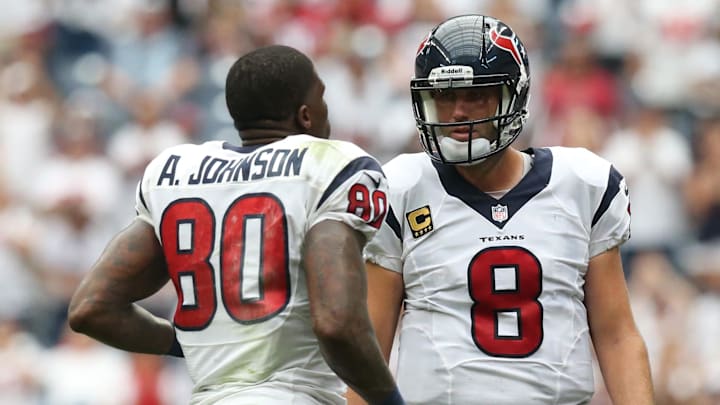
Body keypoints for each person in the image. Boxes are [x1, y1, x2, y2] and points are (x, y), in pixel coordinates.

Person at [69, 45, 404, 405]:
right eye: (322, 97)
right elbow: (336, 323)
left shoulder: (176, 170)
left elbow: (91, 307)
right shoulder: (333, 165)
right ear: (306, 115)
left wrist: (188, 342)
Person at [347, 14, 654, 405]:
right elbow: (369, 350)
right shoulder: (401, 188)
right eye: (444, 95)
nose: (458, 111)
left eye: (476, 94)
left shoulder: (582, 184)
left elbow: (616, 334)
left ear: (515, 96)